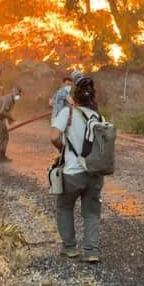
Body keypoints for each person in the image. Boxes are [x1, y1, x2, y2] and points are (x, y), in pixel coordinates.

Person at [49, 76, 103, 263]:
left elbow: (54, 136)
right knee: (91, 212)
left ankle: (70, 248)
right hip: (95, 173)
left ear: (75, 97)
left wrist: (62, 149)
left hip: (72, 173)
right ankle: (92, 251)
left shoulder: (68, 113)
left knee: (64, 207)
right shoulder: (98, 116)